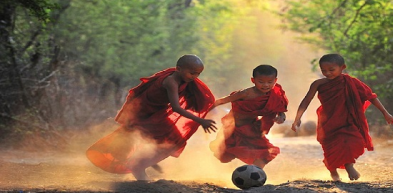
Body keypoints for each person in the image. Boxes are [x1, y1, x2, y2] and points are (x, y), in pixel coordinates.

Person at [86, 54, 217, 181]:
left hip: (156, 112)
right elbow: (176, 108)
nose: (195, 77)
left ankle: (146, 160)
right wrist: (200, 121)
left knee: (172, 139)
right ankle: (140, 169)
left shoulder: (182, 78)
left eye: (198, 74)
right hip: (142, 113)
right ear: (178, 69)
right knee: (131, 142)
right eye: (192, 73)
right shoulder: (171, 81)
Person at [291, 53, 393, 181]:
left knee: (353, 141)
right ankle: (333, 172)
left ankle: (349, 165)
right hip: (328, 120)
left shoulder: (351, 82)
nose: (327, 73)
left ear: (342, 67)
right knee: (330, 147)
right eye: (324, 70)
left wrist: (385, 113)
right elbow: (306, 100)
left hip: (348, 118)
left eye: (331, 70)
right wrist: (298, 117)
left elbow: (370, 96)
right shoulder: (318, 84)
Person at [209, 65, 288, 169]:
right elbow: (223, 100)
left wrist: (281, 118)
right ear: (253, 80)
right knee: (224, 156)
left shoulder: (275, 95)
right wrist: (206, 108)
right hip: (233, 128)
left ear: (275, 80)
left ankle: (257, 174)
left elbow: (280, 111)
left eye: (270, 82)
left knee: (264, 153)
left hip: (252, 129)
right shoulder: (246, 93)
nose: (265, 85)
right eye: (261, 82)